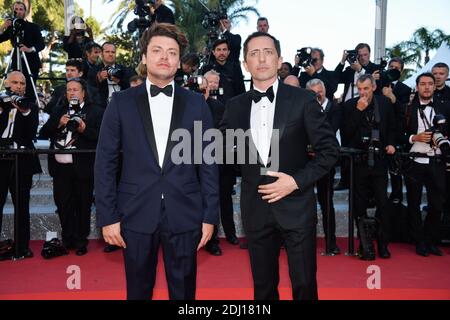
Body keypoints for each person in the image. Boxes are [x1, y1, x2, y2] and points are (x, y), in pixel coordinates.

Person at [95, 23, 219, 300]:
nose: (165, 57)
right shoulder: (121, 103)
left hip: (186, 212)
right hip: (134, 212)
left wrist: (210, 216)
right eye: (157, 50)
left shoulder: (198, 104)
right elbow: (105, 162)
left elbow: (209, 164)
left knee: (184, 293)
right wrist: (108, 216)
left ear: (179, 62)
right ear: (143, 57)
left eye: (172, 52)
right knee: (138, 292)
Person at [221, 32, 339, 300]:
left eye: (268, 52)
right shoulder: (235, 106)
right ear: (244, 63)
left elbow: (329, 151)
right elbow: (225, 153)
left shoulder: (303, 100)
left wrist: (295, 181)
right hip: (255, 208)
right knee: (263, 289)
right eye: (253, 53)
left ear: (279, 60)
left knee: (304, 285)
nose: (261, 58)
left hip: (296, 206)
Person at [40, 79, 103, 256]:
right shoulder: (58, 109)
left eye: (75, 90)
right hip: (60, 168)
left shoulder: (95, 111)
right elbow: (43, 133)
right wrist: (58, 123)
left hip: (83, 167)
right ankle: (68, 238)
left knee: (83, 205)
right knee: (63, 204)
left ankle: (81, 241)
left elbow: (101, 137)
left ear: (84, 93)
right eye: (69, 90)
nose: (72, 93)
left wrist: (84, 129)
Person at [341, 74, 396, 260]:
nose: (362, 92)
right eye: (359, 89)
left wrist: (391, 144)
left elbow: (392, 128)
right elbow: (346, 132)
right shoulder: (349, 106)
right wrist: (358, 111)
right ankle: (365, 244)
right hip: (359, 162)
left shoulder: (385, 103)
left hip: (380, 160)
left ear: (373, 87)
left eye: (366, 88)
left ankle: (383, 243)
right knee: (359, 205)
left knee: (383, 203)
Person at [402, 73, 450, 257]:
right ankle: (419, 241)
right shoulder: (406, 108)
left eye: (430, 84)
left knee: (437, 204)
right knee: (413, 204)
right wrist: (414, 137)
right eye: (423, 84)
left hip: (437, 161)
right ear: (417, 86)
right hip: (414, 161)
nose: (427, 87)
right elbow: (398, 134)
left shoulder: (445, 107)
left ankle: (431, 240)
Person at [0, 71, 42, 260]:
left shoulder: (31, 106)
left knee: (22, 205)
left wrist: (24, 111)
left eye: (22, 83)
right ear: (6, 84)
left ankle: (22, 247)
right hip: (1, 158)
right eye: (15, 82)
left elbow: (31, 132)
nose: (19, 86)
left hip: (22, 161)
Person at [306, 79, 342, 254]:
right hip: (306, 163)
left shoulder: (335, 109)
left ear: (325, 90)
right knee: (305, 204)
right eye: (313, 93)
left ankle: (331, 243)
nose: (317, 95)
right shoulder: (304, 108)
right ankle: (304, 242)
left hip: (325, 163)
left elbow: (330, 130)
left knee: (327, 204)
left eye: (319, 91)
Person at [0, 1, 44, 99]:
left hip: (31, 64)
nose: (18, 11)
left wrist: (29, 49)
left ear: (25, 11)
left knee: (29, 92)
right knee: (14, 91)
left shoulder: (33, 27)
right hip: (16, 63)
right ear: (13, 11)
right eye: (16, 9)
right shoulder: (11, 27)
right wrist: (2, 27)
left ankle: (30, 112)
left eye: (21, 9)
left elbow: (41, 44)